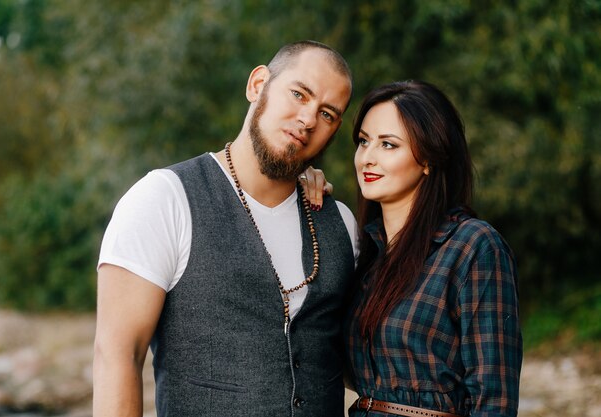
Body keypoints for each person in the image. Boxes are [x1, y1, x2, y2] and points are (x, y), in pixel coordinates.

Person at [92, 40, 359, 417]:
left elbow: (360, 359)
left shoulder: (341, 224)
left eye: (328, 114)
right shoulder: (164, 199)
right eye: (299, 94)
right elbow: (117, 355)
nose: (308, 119)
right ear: (258, 84)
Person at [341, 81, 523, 417]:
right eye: (364, 141)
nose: (367, 157)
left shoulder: (473, 247)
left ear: (428, 158)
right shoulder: (366, 255)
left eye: (388, 145)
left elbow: (493, 399)